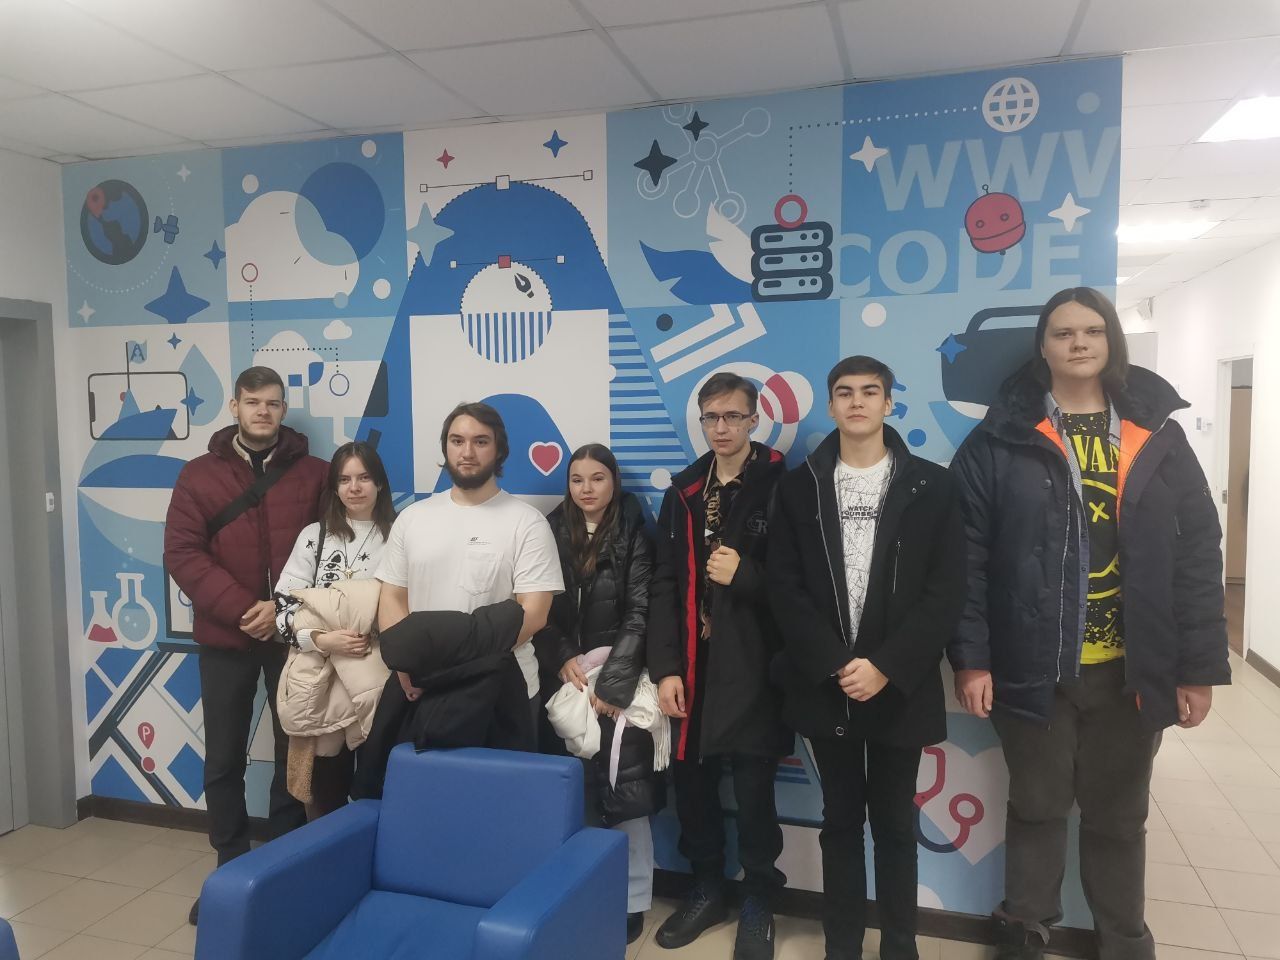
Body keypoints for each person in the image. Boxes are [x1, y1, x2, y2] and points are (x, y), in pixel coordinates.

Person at [948, 287, 1230, 960]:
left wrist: (1197, 668)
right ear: (1043, 347)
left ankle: (1124, 943)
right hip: (1033, 668)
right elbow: (965, 558)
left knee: (1119, 818)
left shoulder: (1157, 435)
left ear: (1111, 343)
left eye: (1092, 331)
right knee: (1037, 807)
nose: (1078, 343)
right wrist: (973, 658)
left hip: (1134, 670)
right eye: (1063, 332)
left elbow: (1197, 553)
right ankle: (1025, 933)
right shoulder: (998, 439)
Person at [769, 356, 966, 960]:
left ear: (888, 403)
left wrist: (885, 666)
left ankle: (900, 946)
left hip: (899, 686)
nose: (857, 402)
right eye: (845, 392)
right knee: (839, 825)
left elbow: (945, 590)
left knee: (897, 827)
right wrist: (836, 663)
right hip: (827, 685)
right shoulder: (799, 487)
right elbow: (785, 586)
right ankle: (842, 946)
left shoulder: (932, 486)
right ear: (831, 406)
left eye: (870, 391)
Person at [164, 366, 327, 925]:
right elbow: (182, 553)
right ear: (234, 406)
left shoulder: (317, 474)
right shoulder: (197, 476)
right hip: (225, 635)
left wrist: (280, 612)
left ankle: (282, 863)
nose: (263, 411)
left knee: (294, 751)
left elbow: (332, 553)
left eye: (273, 403)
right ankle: (230, 871)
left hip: (293, 639)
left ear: (284, 409)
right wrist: (242, 610)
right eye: (253, 402)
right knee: (224, 757)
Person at [648, 371, 791, 960]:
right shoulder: (683, 490)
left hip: (755, 662)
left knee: (755, 788)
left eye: (734, 416)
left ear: (755, 419)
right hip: (692, 660)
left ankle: (759, 898)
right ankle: (706, 887)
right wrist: (665, 668)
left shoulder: (783, 484)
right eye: (712, 417)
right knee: (693, 783)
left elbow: (805, 585)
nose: (722, 427)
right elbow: (662, 583)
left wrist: (748, 576)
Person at [375, 402, 563, 750]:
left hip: (504, 692)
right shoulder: (413, 518)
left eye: (480, 441)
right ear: (445, 447)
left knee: (500, 786)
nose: (467, 452)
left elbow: (534, 613)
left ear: (499, 449)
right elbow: (392, 597)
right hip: (422, 686)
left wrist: (457, 666)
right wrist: (405, 663)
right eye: (457, 440)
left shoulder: (527, 523)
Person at [534, 444, 663, 945]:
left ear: (614, 482)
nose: (586, 489)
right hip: (566, 681)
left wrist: (614, 683)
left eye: (597, 478)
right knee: (573, 791)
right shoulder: (548, 531)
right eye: (577, 479)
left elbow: (641, 611)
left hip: (618, 683)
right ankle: (579, 891)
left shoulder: (635, 532)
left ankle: (631, 900)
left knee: (626, 792)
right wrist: (561, 655)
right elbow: (537, 605)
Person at [272, 441, 395, 820]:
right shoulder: (315, 535)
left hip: (379, 674)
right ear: (334, 487)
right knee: (324, 792)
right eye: (344, 479)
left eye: (364, 478)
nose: (354, 488)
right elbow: (284, 608)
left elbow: (408, 608)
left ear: (379, 483)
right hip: (319, 677)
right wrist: (322, 640)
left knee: (379, 785)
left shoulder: (400, 535)